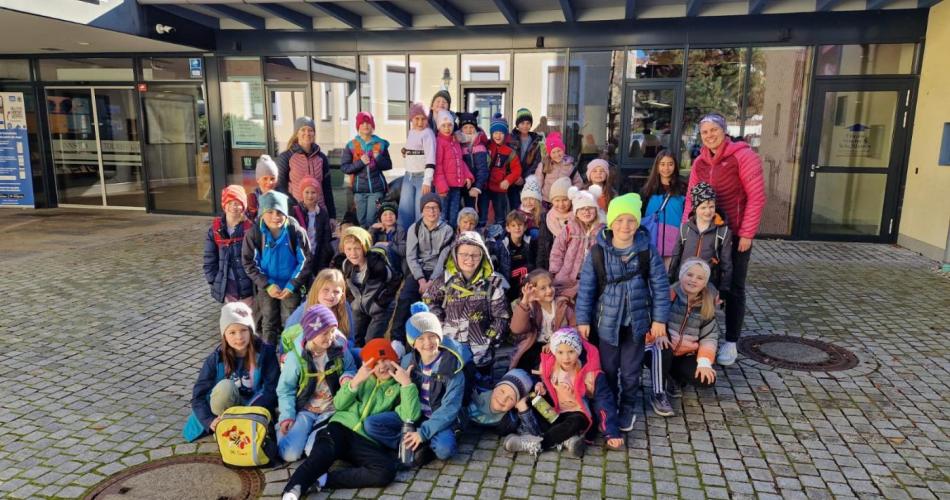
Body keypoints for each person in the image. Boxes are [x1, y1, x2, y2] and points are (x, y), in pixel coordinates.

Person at [574, 193, 671, 432]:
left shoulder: (647, 251)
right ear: (610, 223)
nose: (624, 226)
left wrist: (659, 319)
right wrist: (583, 319)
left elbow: (660, 286)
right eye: (619, 220)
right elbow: (587, 288)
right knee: (607, 368)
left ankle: (628, 405)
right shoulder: (598, 252)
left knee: (631, 370)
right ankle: (610, 405)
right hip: (607, 323)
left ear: (637, 223)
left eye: (630, 221)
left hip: (636, 323)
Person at [281, 339, 419, 499]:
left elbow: (410, 416)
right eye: (376, 362)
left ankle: (323, 480)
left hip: (366, 440)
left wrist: (407, 384)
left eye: (386, 360)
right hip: (340, 429)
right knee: (321, 455)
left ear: (395, 361)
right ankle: (293, 489)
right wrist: (355, 382)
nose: (382, 366)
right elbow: (339, 404)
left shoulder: (398, 387)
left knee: (385, 471)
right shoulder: (362, 378)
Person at [682, 112, 765, 366]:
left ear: (723, 131)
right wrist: (688, 228)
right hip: (708, 230)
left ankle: (730, 340)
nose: (709, 136)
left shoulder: (743, 156)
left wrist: (747, 233)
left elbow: (756, 197)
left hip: (736, 232)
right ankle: (698, 336)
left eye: (713, 130)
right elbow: (691, 198)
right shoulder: (700, 163)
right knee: (702, 283)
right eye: (704, 132)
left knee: (733, 286)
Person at [363, 303, 470, 464]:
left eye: (432, 336)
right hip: (414, 415)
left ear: (439, 336)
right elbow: (386, 376)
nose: (427, 343)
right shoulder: (407, 362)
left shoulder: (452, 368)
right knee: (371, 424)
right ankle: (411, 444)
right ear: (413, 342)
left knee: (444, 450)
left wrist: (423, 433)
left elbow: (450, 408)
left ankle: (423, 441)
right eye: (420, 338)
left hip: (439, 418)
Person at [503, 328, 622, 456]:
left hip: (577, 413)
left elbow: (604, 401)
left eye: (571, 351)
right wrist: (540, 387)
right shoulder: (550, 366)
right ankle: (568, 440)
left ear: (578, 350)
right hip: (556, 413)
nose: (566, 357)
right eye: (560, 352)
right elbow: (540, 380)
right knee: (533, 398)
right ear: (554, 352)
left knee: (576, 421)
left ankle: (538, 444)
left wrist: (612, 432)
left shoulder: (591, 374)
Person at [424, 231, 510, 390]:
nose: (469, 259)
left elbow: (502, 317)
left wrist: (488, 340)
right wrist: (441, 325)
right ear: (455, 254)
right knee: (448, 392)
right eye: (464, 254)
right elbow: (429, 300)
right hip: (449, 350)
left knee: (479, 395)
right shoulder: (445, 279)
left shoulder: (493, 283)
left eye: (475, 255)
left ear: (483, 255)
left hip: (480, 355)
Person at [183, 302, 279, 442]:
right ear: (224, 335)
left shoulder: (266, 353)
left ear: (250, 331)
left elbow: (272, 389)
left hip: (254, 407)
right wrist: (209, 421)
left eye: (243, 330)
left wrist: (247, 415)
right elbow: (198, 396)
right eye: (232, 332)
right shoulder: (215, 359)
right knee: (225, 387)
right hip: (224, 410)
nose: (239, 337)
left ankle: (240, 426)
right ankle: (224, 427)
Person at [276, 304, 357, 462]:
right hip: (305, 409)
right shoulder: (295, 359)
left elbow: (351, 367)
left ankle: (313, 434)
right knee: (289, 455)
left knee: (314, 451)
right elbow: (285, 390)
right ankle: (282, 429)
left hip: (330, 410)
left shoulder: (339, 350)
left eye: (333, 331)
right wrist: (287, 416)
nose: (330, 337)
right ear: (311, 334)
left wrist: (347, 376)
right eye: (325, 333)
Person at [242, 191, 312, 345]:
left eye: (280, 212)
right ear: (262, 213)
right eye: (270, 212)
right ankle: (269, 359)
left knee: (291, 322)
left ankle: (290, 356)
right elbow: (249, 263)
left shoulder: (295, 231)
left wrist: (292, 284)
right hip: (267, 286)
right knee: (268, 322)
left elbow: (305, 261)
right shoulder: (254, 234)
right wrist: (267, 285)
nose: (275, 216)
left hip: (290, 287)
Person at [664, 258, 720, 394]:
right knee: (662, 356)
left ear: (705, 283)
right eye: (689, 275)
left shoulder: (706, 304)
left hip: (686, 353)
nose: (693, 280)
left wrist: (704, 363)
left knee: (706, 380)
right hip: (664, 349)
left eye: (700, 278)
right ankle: (664, 377)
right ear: (681, 275)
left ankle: (676, 374)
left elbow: (709, 337)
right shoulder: (668, 295)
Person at [337, 226, 399, 346]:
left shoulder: (376, 265)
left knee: (371, 340)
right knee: (355, 337)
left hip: (379, 308)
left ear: (364, 248)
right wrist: (353, 302)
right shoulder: (346, 264)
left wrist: (380, 303)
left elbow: (395, 280)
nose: (353, 253)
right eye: (348, 249)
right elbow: (349, 286)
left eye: (357, 249)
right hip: (360, 307)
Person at [670, 182, 733, 295]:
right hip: (684, 282)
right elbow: (676, 256)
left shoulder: (723, 232)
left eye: (711, 206)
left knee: (704, 312)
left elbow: (726, 263)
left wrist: (724, 289)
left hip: (709, 285)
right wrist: (670, 278)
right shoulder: (685, 229)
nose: (708, 211)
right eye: (703, 207)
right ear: (695, 208)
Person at [509, 269, 575, 371]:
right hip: (534, 347)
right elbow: (517, 329)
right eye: (543, 288)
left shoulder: (563, 305)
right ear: (532, 290)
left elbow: (574, 329)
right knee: (527, 369)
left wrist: (555, 343)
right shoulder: (527, 306)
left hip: (561, 346)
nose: (549, 290)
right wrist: (525, 301)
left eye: (550, 285)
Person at [276, 117, 336, 221]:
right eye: (303, 130)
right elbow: (281, 188)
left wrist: (332, 216)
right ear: (297, 133)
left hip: (319, 214)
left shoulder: (322, 158)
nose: (307, 133)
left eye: (310, 130)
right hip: (296, 214)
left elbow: (327, 189)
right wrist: (295, 207)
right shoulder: (286, 157)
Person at [549, 186, 605, 299]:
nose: (586, 211)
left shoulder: (602, 230)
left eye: (590, 208)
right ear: (576, 212)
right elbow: (557, 250)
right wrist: (555, 272)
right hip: (567, 277)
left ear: (596, 210)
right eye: (582, 209)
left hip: (592, 277)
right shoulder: (570, 228)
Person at [204, 185, 254, 306]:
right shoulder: (215, 230)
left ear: (243, 206)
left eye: (238, 203)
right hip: (227, 287)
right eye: (230, 202)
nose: (233, 207)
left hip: (248, 288)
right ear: (224, 205)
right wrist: (214, 280)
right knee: (232, 322)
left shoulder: (250, 228)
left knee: (249, 322)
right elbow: (209, 259)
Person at [341, 112, 393, 228]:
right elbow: (345, 167)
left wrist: (378, 158)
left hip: (376, 190)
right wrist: (360, 163)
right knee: (361, 220)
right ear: (358, 126)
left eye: (368, 122)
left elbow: (388, 165)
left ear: (372, 125)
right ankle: (364, 244)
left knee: (371, 220)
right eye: (362, 123)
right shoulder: (351, 145)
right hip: (359, 191)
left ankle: (372, 244)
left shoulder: (381, 144)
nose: (365, 125)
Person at [641, 150, 686, 270]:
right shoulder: (648, 189)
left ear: (675, 165)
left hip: (674, 236)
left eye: (670, 164)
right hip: (652, 235)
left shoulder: (682, 187)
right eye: (662, 164)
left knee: (669, 273)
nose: (666, 168)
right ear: (657, 166)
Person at [286, 268, 353, 346]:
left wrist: (339, 346)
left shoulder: (344, 306)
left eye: (336, 292)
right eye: (326, 290)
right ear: (317, 290)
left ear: (342, 293)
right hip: (309, 353)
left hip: (339, 351)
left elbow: (350, 339)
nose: (331, 295)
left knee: (359, 353)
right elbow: (287, 340)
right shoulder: (304, 310)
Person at [463, 369, 540, 436]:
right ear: (496, 386)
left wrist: (523, 407)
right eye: (502, 391)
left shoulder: (509, 420)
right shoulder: (479, 389)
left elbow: (534, 433)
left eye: (511, 398)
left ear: (515, 404)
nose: (503, 399)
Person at [433, 110, 473, 230]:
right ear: (439, 127)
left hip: (456, 186)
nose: (447, 128)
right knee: (442, 214)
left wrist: (468, 176)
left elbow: (460, 162)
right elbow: (438, 166)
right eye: (443, 126)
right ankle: (441, 239)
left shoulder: (455, 142)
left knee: (454, 214)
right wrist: (441, 185)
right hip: (443, 188)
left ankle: (452, 239)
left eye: (449, 125)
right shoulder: (438, 142)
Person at [400, 102, 437, 231]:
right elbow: (415, 149)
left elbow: (430, 158)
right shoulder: (411, 132)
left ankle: (420, 240)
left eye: (423, 119)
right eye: (417, 119)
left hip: (422, 177)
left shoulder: (428, 133)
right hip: (408, 176)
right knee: (404, 210)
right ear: (411, 119)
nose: (420, 122)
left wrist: (427, 181)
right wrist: (406, 151)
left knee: (419, 211)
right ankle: (403, 240)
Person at [291, 176, 333, 283]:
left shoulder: (323, 213)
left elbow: (326, 240)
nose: (310, 196)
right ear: (302, 193)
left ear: (318, 194)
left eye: (313, 192)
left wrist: (322, 264)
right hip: (299, 258)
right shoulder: (295, 212)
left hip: (316, 257)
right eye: (307, 192)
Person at [485, 113, 522, 226]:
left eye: (501, 133)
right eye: (495, 133)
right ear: (491, 134)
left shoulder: (510, 151)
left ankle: (500, 233)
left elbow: (517, 170)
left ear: (505, 134)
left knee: (500, 214)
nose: (498, 136)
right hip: (485, 186)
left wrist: (508, 180)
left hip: (500, 189)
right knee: (484, 212)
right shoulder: (486, 146)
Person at [455, 111, 489, 225]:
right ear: (461, 129)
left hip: (480, 188)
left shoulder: (479, 145)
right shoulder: (457, 145)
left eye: (471, 127)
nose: (469, 130)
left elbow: (483, 169)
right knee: (467, 217)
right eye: (465, 127)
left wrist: (477, 187)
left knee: (480, 216)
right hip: (464, 187)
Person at [507, 108, 545, 210]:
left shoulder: (536, 140)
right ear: (517, 124)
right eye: (522, 123)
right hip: (513, 179)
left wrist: (524, 178)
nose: (525, 126)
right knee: (514, 206)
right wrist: (515, 177)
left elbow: (536, 162)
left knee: (527, 208)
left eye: (528, 123)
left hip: (528, 179)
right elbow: (507, 159)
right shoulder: (510, 139)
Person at [535, 177, 574, 270]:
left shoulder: (578, 217)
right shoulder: (547, 219)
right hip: (553, 266)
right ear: (552, 201)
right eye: (557, 200)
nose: (561, 204)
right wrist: (540, 270)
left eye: (565, 200)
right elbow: (542, 247)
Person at [535, 131, 583, 204]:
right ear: (549, 153)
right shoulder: (543, 165)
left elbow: (578, 182)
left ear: (563, 150)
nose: (557, 154)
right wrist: (537, 198)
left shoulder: (570, 166)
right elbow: (537, 183)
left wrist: (571, 192)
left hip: (563, 202)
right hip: (546, 201)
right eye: (553, 152)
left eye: (559, 151)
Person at [503, 210, 537, 303]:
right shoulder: (501, 246)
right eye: (513, 225)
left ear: (525, 227)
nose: (517, 228)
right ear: (507, 228)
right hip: (510, 289)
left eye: (520, 225)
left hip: (528, 286)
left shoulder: (531, 243)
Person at [369, 201, 407, 274]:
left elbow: (403, 251)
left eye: (391, 214)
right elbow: (368, 246)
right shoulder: (376, 229)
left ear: (396, 217)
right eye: (385, 215)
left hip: (395, 262)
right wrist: (372, 229)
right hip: (378, 261)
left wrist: (388, 244)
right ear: (380, 218)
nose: (389, 216)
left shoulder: (400, 230)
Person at [247, 155, 279, 221]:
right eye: (265, 178)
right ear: (258, 179)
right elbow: (251, 222)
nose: (269, 182)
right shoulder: (252, 198)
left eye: (272, 178)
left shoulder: (281, 197)